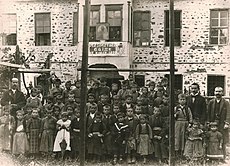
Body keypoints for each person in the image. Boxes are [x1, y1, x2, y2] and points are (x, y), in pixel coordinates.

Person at [207, 86, 230, 159]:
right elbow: (208, 112)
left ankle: (223, 156)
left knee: (222, 139)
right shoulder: (211, 102)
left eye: (219, 91)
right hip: (213, 124)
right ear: (214, 92)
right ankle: (212, 156)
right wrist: (208, 122)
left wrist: (227, 123)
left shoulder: (226, 102)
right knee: (212, 139)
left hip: (222, 124)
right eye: (216, 91)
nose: (218, 93)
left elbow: (228, 113)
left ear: (222, 92)